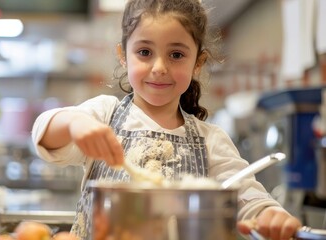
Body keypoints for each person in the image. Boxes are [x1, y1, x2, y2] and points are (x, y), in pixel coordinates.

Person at [31, 0, 302, 239]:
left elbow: (245, 194)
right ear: (123, 56)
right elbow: (44, 133)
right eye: (145, 52)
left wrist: (269, 214)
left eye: (176, 55)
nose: (159, 68)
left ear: (198, 62)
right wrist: (74, 124)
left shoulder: (210, 140)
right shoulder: (104, 115)